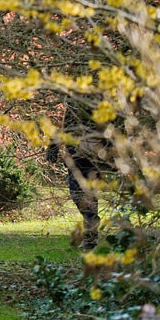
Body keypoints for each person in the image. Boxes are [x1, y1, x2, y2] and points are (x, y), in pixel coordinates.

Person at [46, 99, 108, 249]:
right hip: (76, 159)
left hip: (93, 161)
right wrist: (53, 146)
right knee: (76, 194)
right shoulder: (73, 107)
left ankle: (90, 235)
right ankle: (91, 226)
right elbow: (64, 128)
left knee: (88, 197)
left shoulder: (100, 108)